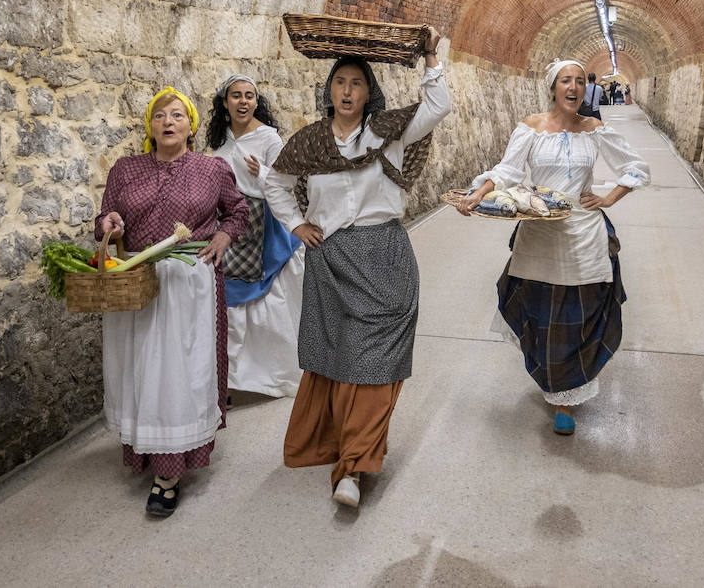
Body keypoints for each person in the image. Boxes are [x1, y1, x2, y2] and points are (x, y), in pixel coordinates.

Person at [263, 28, 449, 510]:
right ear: (329, 91)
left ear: (370, 93)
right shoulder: (309, 142)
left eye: (356, 83)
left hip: (384, 255)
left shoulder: (387, 132)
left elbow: (436, 108)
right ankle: (343, 451)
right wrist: (298, 225)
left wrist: (431, 59)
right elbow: (275, 183)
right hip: (330, 259)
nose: (346, 91)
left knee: (375, 362)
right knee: (340, 359)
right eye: (339, 82)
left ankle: (354, 468)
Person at [457, 59, 649, 436]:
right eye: (566, 81)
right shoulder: (530, 127)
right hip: (540, 233)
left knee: (579, 316)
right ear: (553, 87)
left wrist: (609, 198)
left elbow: (636, 166)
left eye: (579, 81)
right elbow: (507, 172)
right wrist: (478, 193)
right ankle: (553, 381)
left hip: (584, 233)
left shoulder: (594, 129)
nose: (574, 88)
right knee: (541, 315)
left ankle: (565, 399)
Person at [95, 87, 248, 518]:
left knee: (178, 376)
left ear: (191, 125)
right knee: (141, 372)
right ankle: (147, 453)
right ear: (150, 125)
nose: (168, 121)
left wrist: (222, 236)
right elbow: (106, 219)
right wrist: (108, 222)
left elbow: (238, 212)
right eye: (160, 115)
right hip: (137, 283)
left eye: (178, 115)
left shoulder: (211, 169)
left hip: (189, 286)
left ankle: (169, 473)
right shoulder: (125, 171)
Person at [206, 74, 304, 399]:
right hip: (229, 223)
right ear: (225, 102)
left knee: (260, 298)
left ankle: (268, 376)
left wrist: (261, 172)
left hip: (262, 225)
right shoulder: (220, 142)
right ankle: (228, 381)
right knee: (228, 297)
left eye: (249, 96)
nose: (244, 101)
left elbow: (288, 183)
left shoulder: (269, 139)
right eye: (236, 96)